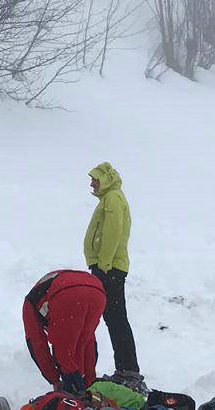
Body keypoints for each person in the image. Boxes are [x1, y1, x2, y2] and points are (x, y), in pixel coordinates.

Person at [83, 160, 143, 392]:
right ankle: (125, 369)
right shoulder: (111, 198)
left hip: (110, 269)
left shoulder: (113, 198)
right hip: (107, 267)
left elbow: (112, 232)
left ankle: (129, 371)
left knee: (116, 318)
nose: (91, 184)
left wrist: (104, 264)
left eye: (94, 179)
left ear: (104, 179)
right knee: (113, 318)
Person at [21, 268, 108, 396]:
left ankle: (75, 397)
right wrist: (90, 378)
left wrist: (54, 379)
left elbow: (36, 343)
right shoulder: (43, 292)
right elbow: (88, 341)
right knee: (84, 338)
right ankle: (88, 390)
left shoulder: (30, 305)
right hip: (97, 290)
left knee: (63, 355)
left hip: (66, 293)